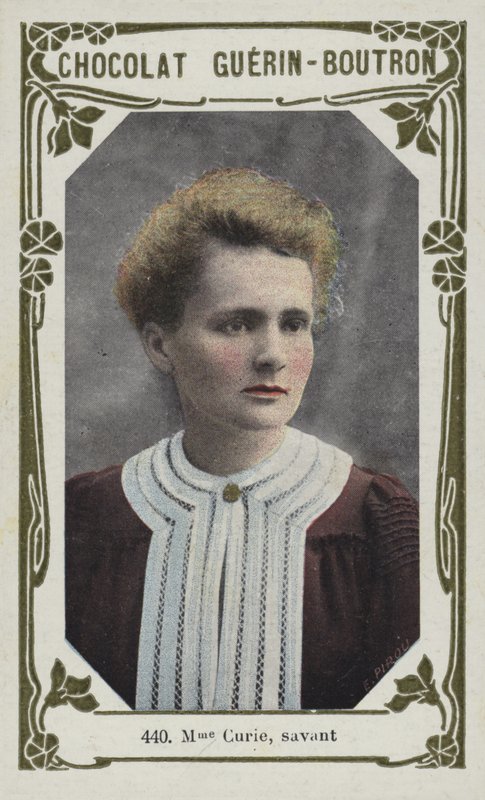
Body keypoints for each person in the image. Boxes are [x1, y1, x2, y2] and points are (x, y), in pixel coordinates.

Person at [65, 168, 419, 712]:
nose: (272, 355)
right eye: (236, 324)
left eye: (294, 324)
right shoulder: (81, 519)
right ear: (160, 346)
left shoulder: (377, 523)